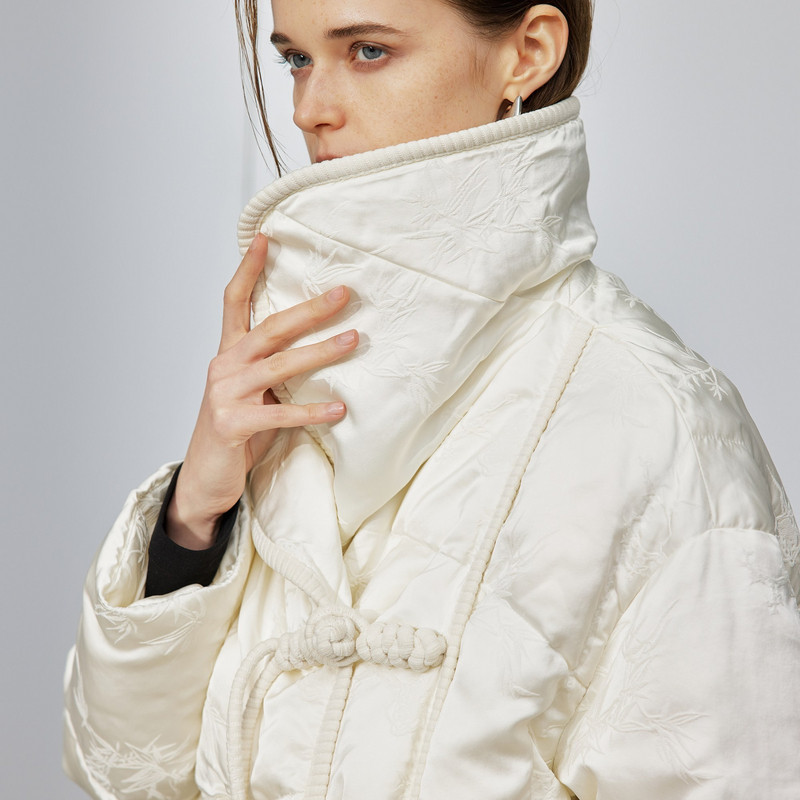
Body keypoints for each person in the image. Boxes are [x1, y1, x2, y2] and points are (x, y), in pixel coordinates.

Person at [63, 1, 800, 798]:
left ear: (528, 52)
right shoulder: (276, 404)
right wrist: (190, 529)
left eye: (368, 51)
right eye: (296, 60)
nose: (310, 110)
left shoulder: (663, 426)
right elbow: (121, 778)